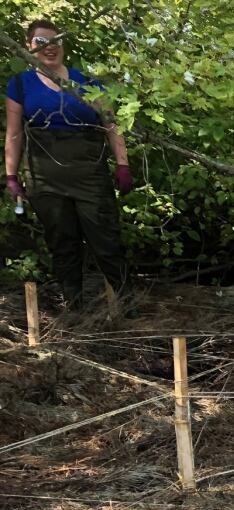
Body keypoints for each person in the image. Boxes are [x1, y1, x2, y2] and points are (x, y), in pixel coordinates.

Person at [5, 19, 133, 311]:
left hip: (89, 173)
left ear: (63, 45)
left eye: (55, 41)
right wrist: (11, 175)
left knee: (105, 240)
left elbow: (113, 126)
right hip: (45, 176)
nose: (49, 48)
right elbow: (13, 133)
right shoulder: (20, 86)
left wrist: (122, 165)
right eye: (41, 42)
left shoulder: (88, 84)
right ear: (29, 46)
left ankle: (127, 304)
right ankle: (74, 308)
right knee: (62, 242)